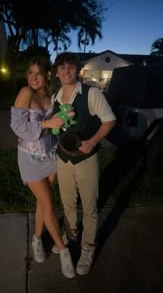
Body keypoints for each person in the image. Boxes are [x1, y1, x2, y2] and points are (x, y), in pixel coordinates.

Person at [51, 52, 116, 275]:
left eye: (71, 67)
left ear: (77, 70)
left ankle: (88, 247)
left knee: (89, 206)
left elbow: (110, 120)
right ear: (57, 72)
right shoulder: (55, 97)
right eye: (62, 67)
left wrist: (92, 142)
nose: (66, 71)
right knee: (68, 202)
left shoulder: (91, 93)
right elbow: (56, 126)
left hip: (86, 159)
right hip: (63, 158)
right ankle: (71, 235)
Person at [10, 56, 76, 279]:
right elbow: (17, 126)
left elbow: (56, 123)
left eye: (38, 73)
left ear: (48, 75)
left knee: (43, 202)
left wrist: (64, 118)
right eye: (30, 73)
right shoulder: (25, 93)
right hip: (30, 157)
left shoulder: (50, 96)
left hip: (50, 155)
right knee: (48, 203)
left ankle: (37, 238)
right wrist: (46, 123)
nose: (33, 78)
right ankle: (64, 251)